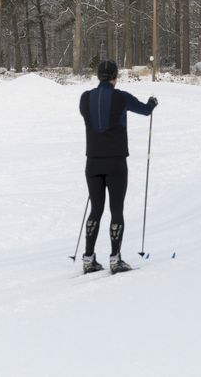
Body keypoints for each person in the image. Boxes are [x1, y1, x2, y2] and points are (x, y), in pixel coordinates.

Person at [79, 60, 158, 274]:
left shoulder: (85, 98)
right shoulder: (121, 97)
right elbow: (145, 110)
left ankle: (88, 257)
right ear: (115, 76)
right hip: (116, 161)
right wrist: (152, 103)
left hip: (93, 162)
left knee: (96, 209)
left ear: (98, 76)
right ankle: (115, 258)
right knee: (116, 209)